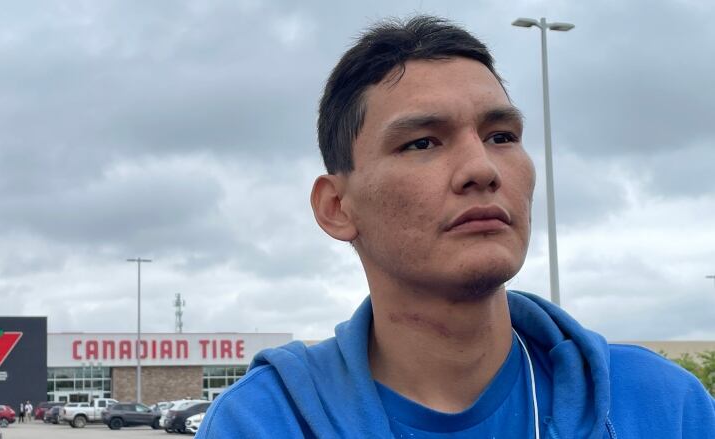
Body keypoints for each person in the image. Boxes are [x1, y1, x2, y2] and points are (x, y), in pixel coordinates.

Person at [197, 15, 715, 438]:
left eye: (502, 136)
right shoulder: (262, 423)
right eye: (422, 142)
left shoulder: (662, 407)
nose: (481, 170)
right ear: (336, 206)